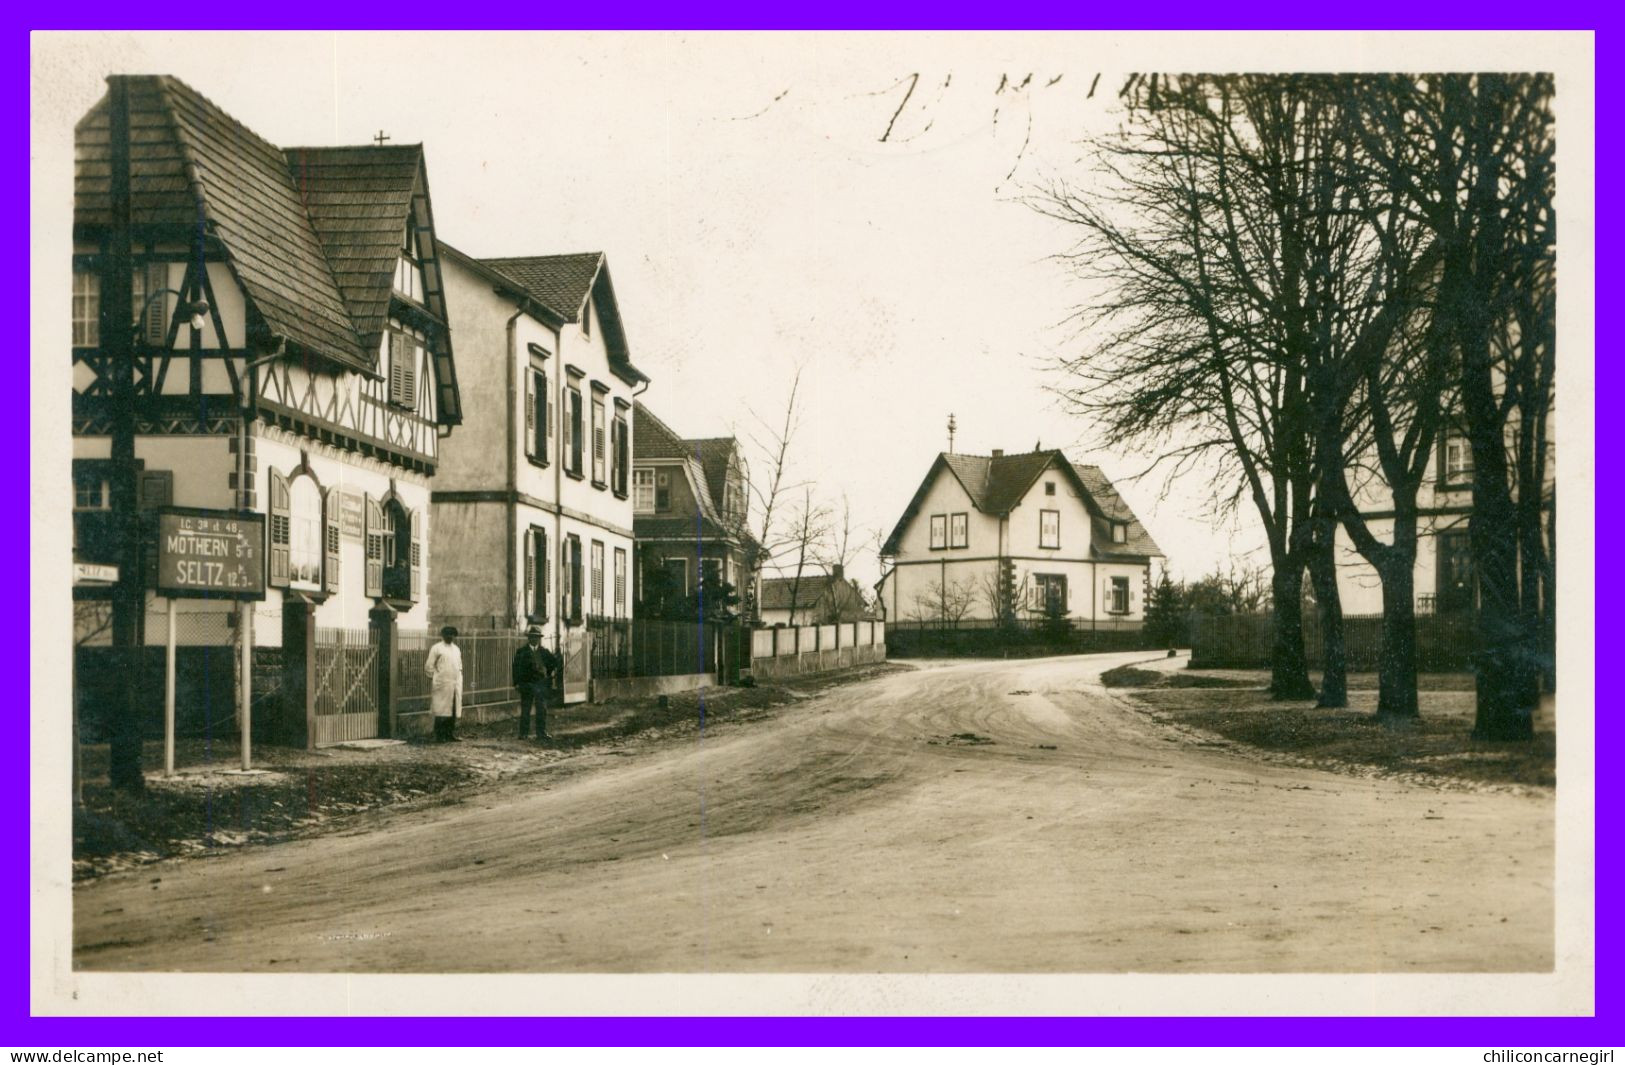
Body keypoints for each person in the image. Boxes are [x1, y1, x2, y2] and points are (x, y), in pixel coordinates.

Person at [512, 623, 560, 741]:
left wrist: (549, 673)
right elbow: (515, 668)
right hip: (527, 685)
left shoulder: (544, 652)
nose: (535, 639)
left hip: (540, 685)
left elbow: (553, 663)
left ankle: (541, 733)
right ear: (529, 638)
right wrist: (516, 683)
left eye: (537, 637)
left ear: (539, 639)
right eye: (532, 636)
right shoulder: (521, 652)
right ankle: (523, 734)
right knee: (526, 709)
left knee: (541, 709)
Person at [425, 625, 464, 742]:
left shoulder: (456, 649)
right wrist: (437, 679)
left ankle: (449, 733)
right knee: (441, 710)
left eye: (452, 634)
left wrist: (458, 678)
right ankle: (440, 735)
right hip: (442, 684)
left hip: (454, 683)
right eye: (447, 634)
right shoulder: (436, 648)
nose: (450, 636)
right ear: (443, 635)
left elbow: (460, 666)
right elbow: (429, 666)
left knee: (452, 709)